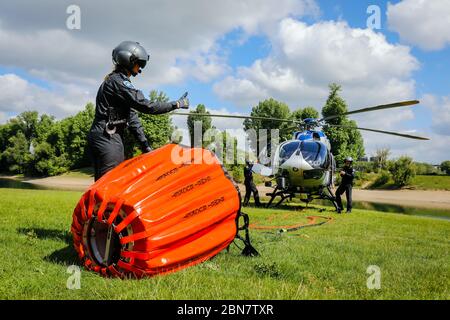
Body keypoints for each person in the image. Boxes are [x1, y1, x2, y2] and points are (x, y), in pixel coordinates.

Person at [88, 41, 189, 181]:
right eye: (139, 63)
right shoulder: (118, 82)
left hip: (107, 136)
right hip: (107, 137)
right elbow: (147, 106)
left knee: (104, 185)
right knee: (108, 185)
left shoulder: (117, 83)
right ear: (129, 60)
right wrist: (176, 104)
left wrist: (145, 146)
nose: (140, 68)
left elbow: (132, 117)